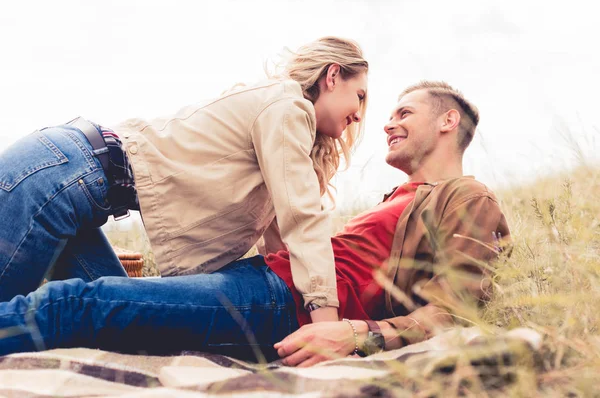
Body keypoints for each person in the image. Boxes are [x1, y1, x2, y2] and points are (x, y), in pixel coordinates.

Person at [0, 81, 509, 367]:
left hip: (278, 302)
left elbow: (454, 310)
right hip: (260, 281)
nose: (386, 122)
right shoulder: (398, 198)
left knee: (73, 304)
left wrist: (356, 335)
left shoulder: (467, 197)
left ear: (448, 122)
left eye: (404, 112)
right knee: (83, 267)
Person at [0, 37, 369, 326]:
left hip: (74, 182)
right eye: (360, 96)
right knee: (9, 320)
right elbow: (303, 220)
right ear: (332, 76)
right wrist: (325, 320)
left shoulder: (281, 131)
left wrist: (289, 307)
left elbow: (280, 247)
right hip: (61, 173)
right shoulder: (288, 107)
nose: (359, 115)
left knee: (118, 323)